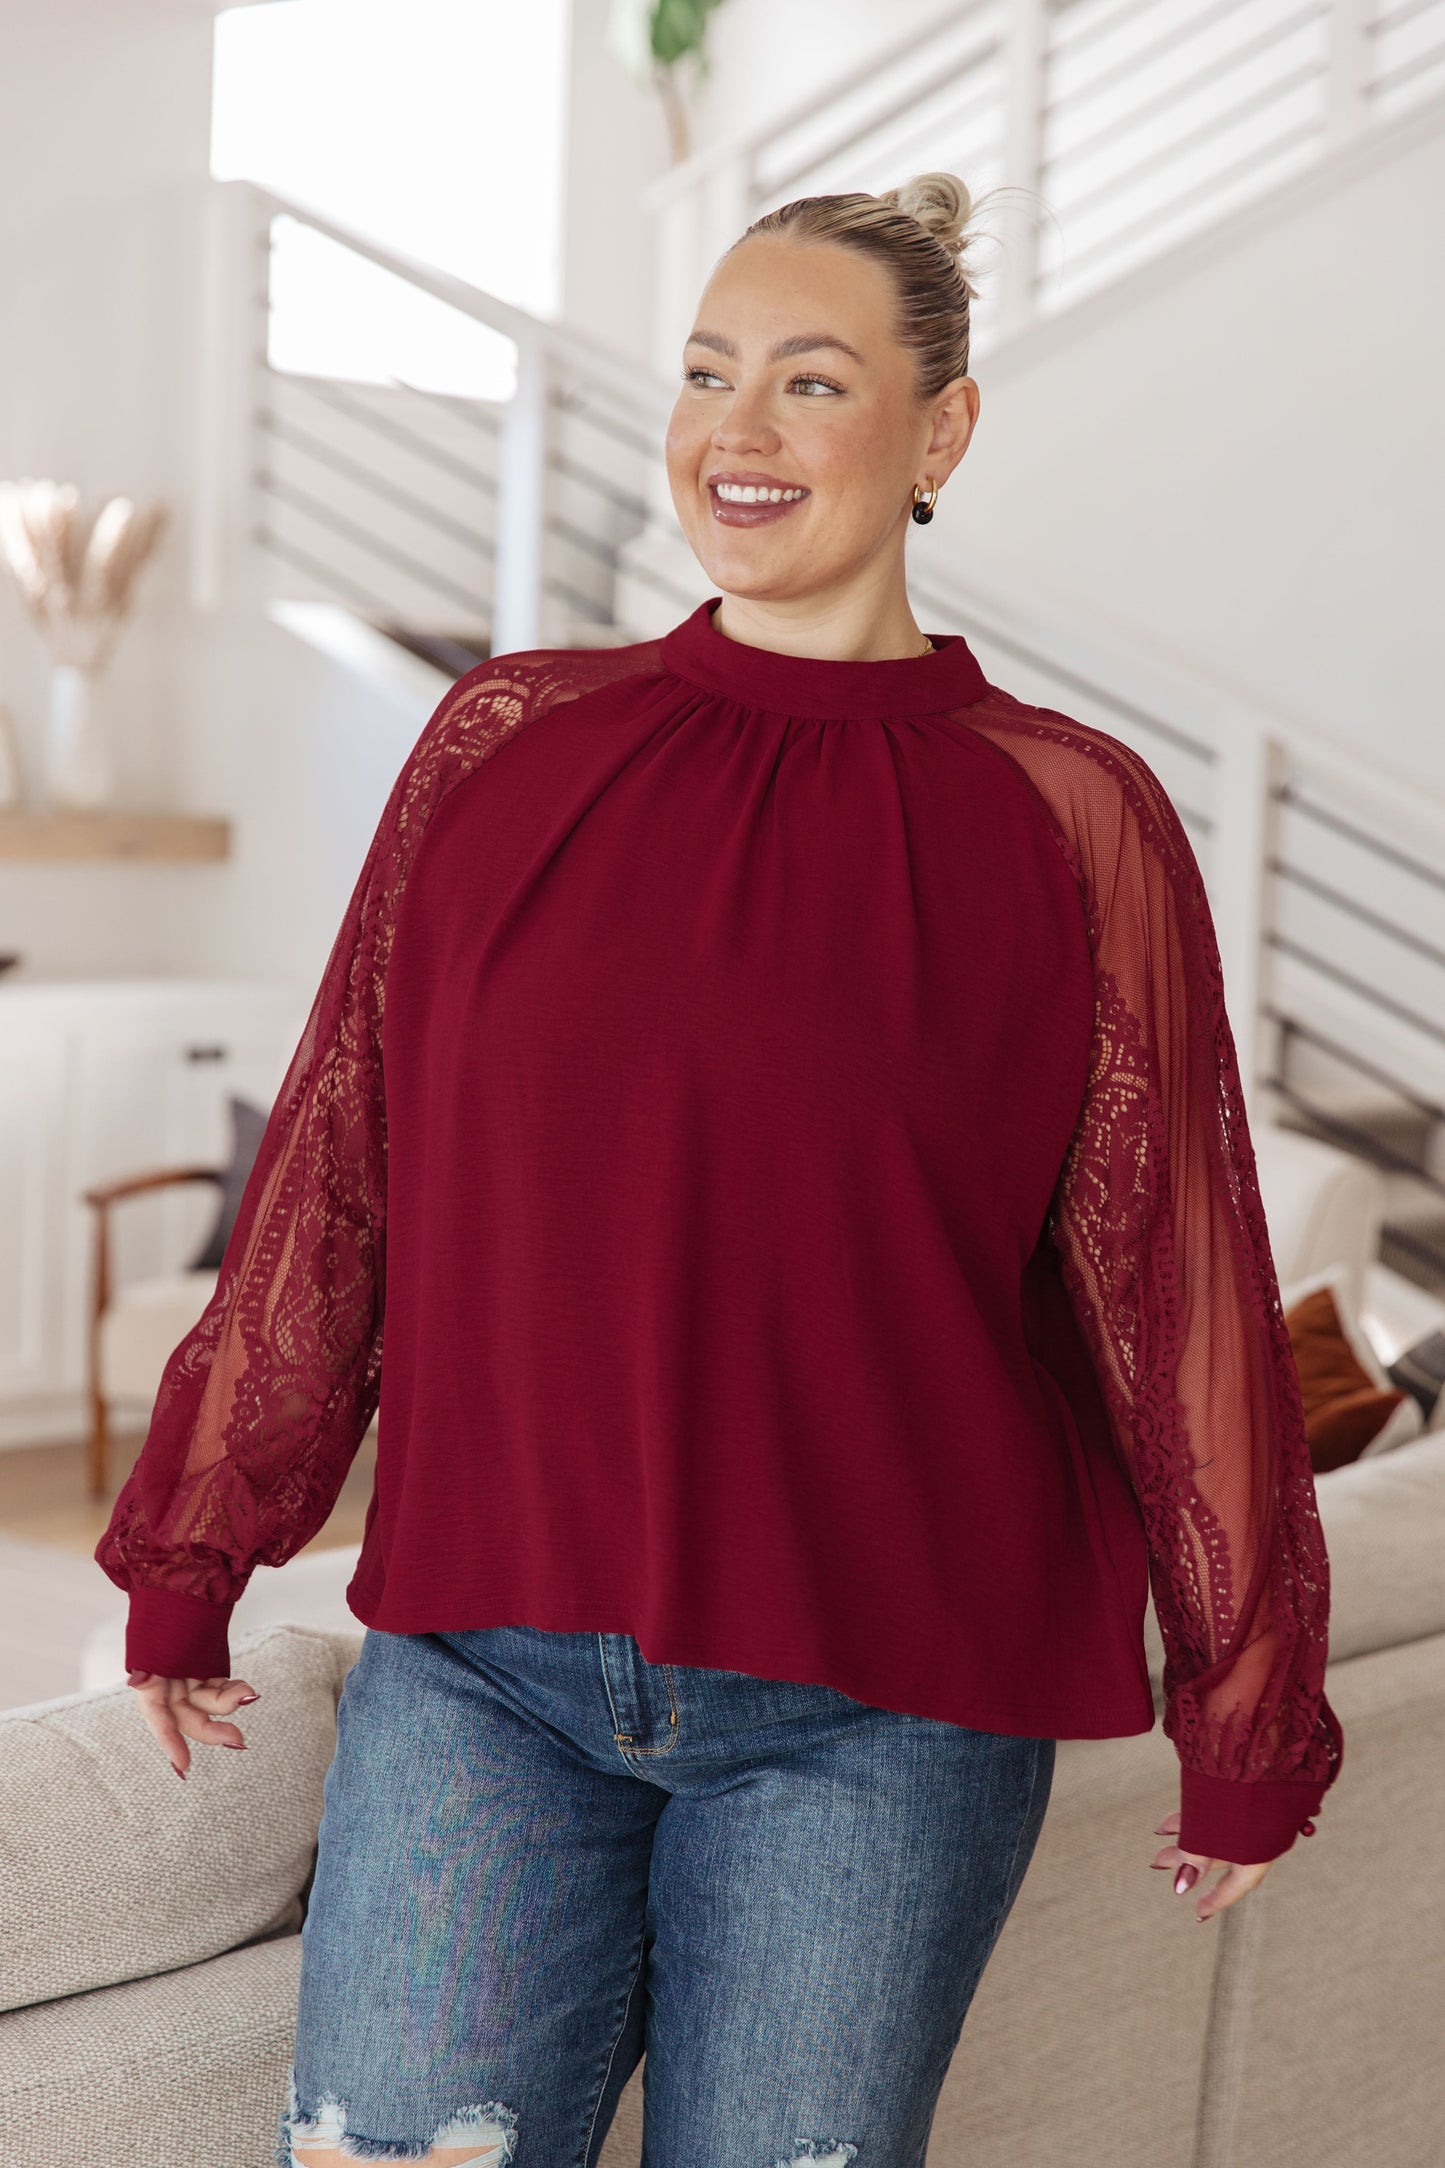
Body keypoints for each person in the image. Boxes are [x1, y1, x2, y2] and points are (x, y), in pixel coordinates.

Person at [98, 173, 1343, 2168]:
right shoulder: (501, 741)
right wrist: (195, 1547)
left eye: (810, 379)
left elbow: (1172, 1285)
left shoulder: (1072, 818)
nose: (734, 432)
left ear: (942, 430)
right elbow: (345, 1157)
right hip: (483, 1668)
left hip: (888, 1713)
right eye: (704, 373)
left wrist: (1248, 1708)